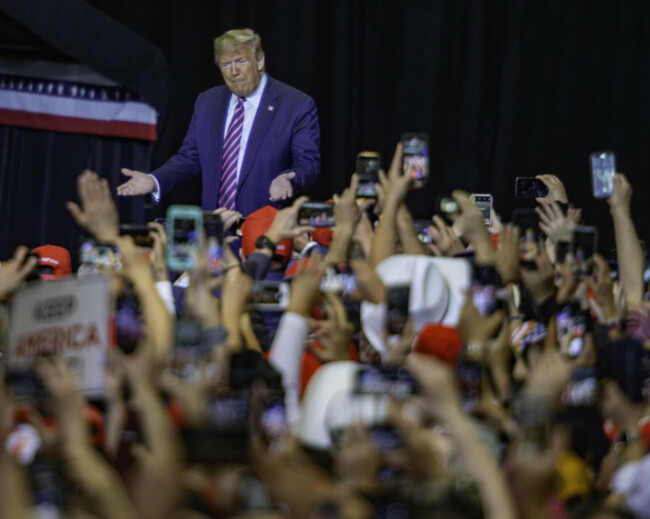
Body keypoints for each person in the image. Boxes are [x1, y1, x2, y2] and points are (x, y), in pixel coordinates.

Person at [117, 28, 321, 216]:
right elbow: (190, 157)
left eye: (241, 61)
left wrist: (288, 177)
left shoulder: (295, 105)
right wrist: (155, 180)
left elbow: (308, 163)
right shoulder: (207, 102)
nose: (234, 72)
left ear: (259, 61)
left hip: (264, 230)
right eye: (226, 64)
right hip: (214, 230)